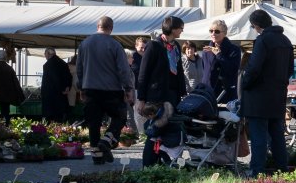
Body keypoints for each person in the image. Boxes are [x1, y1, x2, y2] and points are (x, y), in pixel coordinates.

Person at [241, 7, 293, 176]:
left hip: (259, 96)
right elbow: (290, 69)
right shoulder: (285, 40)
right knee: (277, 135)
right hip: (277, 95)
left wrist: (245, 83)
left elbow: (254, 68)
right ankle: (282, 169)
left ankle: (257, 171)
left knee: (258, 137)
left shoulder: (262, 41)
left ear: (256, 25)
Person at [76, 16, 135, 164]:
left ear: (97, 26)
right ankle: (107, 141)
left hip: (90, 88)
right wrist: (128, 88)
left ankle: (97, 158)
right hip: (111, 90)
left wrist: (81, 87)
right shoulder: (115, 45)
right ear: (111, 28)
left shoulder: (84, 44)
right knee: (120, 117)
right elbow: (123, 70)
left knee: (93, 124)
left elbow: (79, 69)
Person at [137, 16, 189, 166]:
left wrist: (182, 92)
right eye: (180, 28)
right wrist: (141, 99)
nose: (182, 30)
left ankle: (161, 162)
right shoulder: (154, 46)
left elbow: (179, 70)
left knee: (167, 129)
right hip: (157, 96)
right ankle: (148, 165)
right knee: (156, 128)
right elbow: (143, 73)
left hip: (173, 95)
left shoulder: (177, 46)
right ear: (172, 29)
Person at [205, 19, 242, 104]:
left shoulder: (234, 50)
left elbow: (233, 69)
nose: (213, 34)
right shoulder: (206, 51)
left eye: (217, 31)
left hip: (225, 93)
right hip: (208, 92)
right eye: (211, 31)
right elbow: (205, 71)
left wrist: (219, 55)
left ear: (224, 33)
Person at [0, 49, 25, 121]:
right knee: (5, 111)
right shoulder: (9, 68)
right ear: (5, 57)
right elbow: (15, 82)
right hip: (6, 94)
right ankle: (6, 125)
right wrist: (20, 94)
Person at [40, 47, 71, 121]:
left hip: (51, 95)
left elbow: (55, 79)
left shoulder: (48, 65)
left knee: (50, 118)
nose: (45, 55)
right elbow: (69, 77)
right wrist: (67, 87)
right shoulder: (63, 63)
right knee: (59, 117)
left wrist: (60, 89)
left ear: (48, 54)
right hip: (61, 96)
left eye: (45, 53)